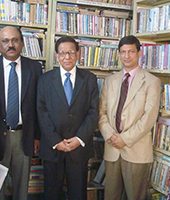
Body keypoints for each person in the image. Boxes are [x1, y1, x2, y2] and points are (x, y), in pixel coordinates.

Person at [0, 26, 42, 200]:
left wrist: (36, 136)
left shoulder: (34, 68)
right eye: (5, 41)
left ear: (22, 43)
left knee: (21, 185)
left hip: (24, 135)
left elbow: (37, 105)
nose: (10, 45)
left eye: (15, 40)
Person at [99, 35, 161, 200]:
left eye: (131, 52)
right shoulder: (110, 81)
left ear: (139, 53)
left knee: (135, 196)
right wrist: (110, 135)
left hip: (136, 150)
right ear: (119, 54)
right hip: (112, 148)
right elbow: (101, 113)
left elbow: (149, 117)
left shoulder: (151, 81)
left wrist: (124, 138)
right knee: (110, 195)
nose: (126, 56)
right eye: (123, 52)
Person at [37, 36, 99, 200]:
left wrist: (79, 138)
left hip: (79, 148)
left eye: (71, 52)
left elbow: (94, 112)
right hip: (53, 147)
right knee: (51, 192)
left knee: (78, 193)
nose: (67, 57)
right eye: (63, 53)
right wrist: (56, 141)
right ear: (57, 55)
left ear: (78, 54)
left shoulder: (89, 79)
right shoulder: (45, 79)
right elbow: (41, 112)